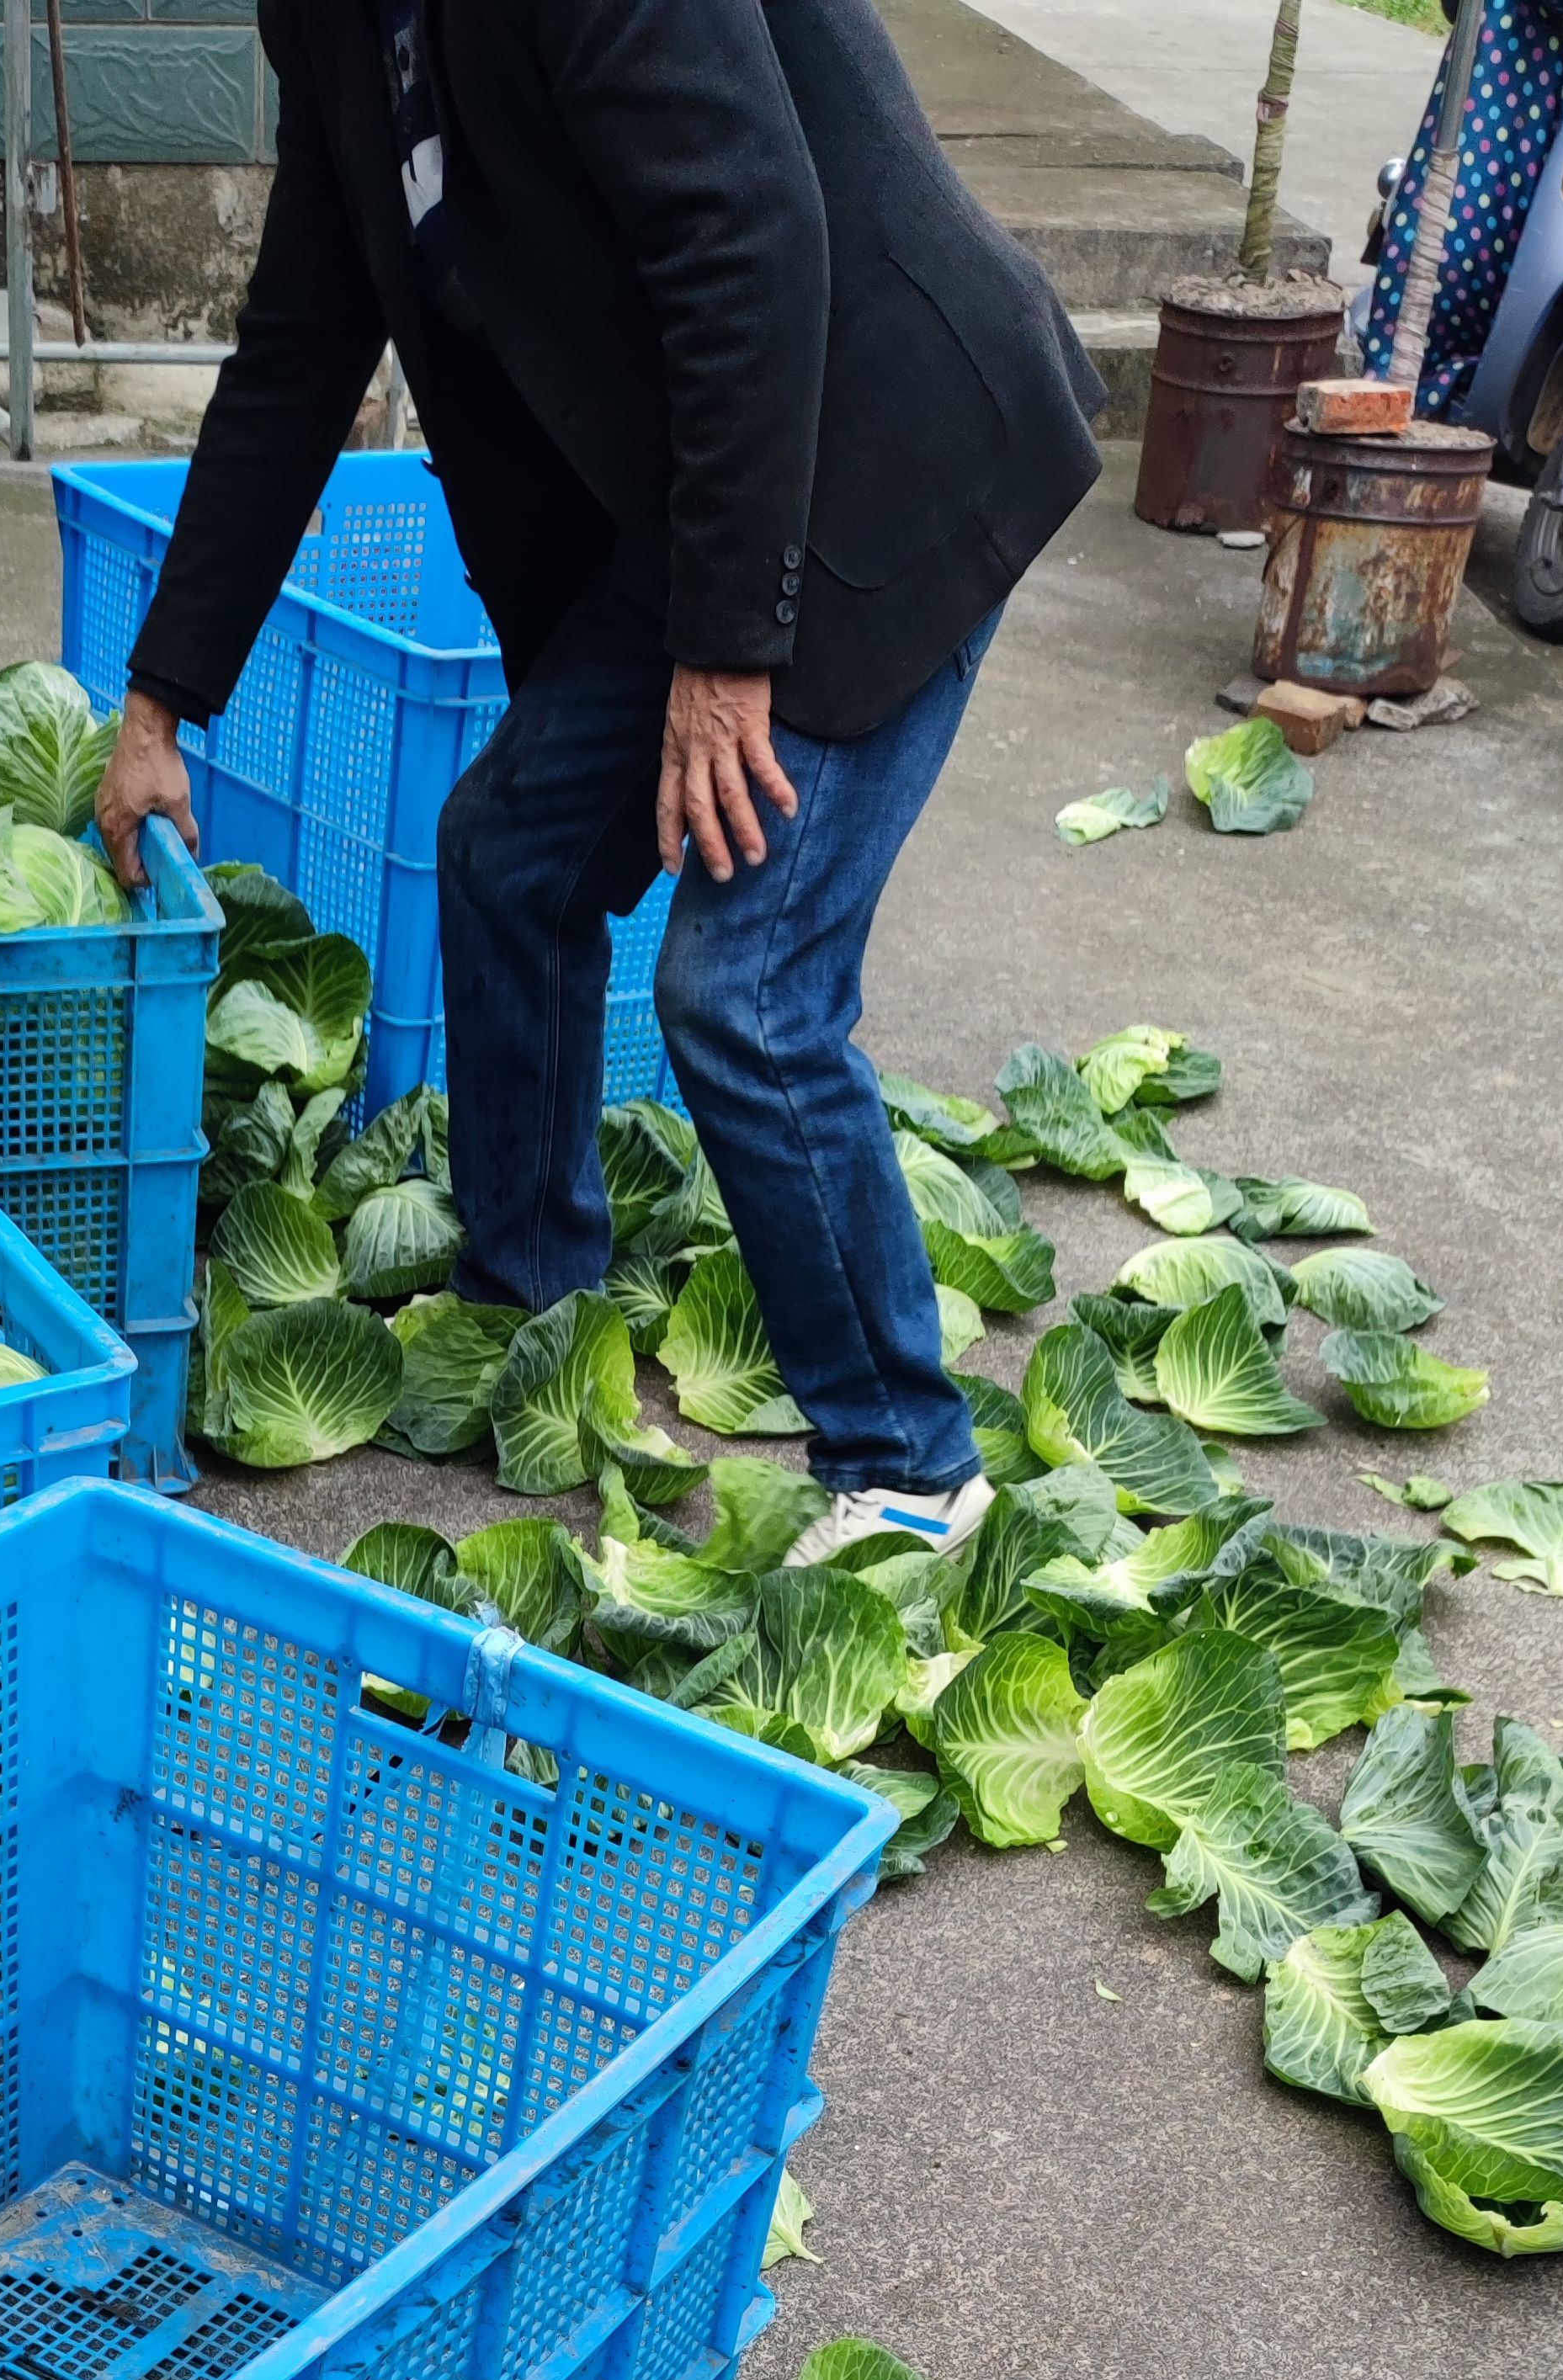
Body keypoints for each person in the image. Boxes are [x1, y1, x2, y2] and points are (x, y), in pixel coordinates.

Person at [97, 0, 1104, 1554]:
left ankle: (908, 1471)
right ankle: (531, 1303)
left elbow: (751, 239)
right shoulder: (331, 17)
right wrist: (160, 699)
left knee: (744, 988)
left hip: (887, 437)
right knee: (508, 853)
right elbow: (298, 343)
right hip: (709, 482)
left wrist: (724, 648)